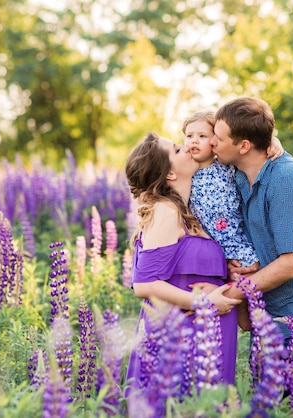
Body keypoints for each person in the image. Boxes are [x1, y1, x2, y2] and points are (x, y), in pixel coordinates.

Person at [210, 97, 293, 389]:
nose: (212, 144)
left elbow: (291, 265)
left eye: (218, 139)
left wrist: (232, 294)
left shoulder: (286, 181)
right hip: (268, 316)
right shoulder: (242, 174)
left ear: (244, 146)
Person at [123, 132, 241, 395]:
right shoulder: (166, 210)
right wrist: (205, 303)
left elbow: (230, 145)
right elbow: (144, 284)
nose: (187, 147)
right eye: (177, 150)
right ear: (170, 175)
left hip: (206, 331)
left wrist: (270, 143)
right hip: (180, 334)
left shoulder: (191, 211)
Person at [182, 110, 283, 329]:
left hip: (235, 243)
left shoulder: (228, 167)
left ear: (215, 142)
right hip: (208, 248)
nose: (194, 141)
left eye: (202, 136)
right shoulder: (184, 168)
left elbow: (249, 144)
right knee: (218, 308)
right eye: (189, 136)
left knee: (248, 315)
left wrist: (273, 141)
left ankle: (259, 333)